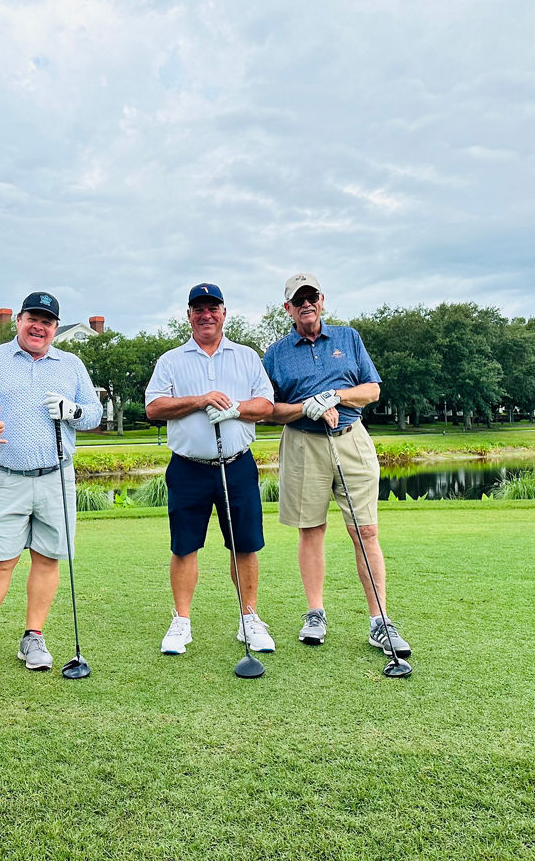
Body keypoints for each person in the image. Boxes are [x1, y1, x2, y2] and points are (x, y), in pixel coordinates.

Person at [0, 292, 103, 679]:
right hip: (7, 477)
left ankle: (33, 636)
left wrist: (75, 411)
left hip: (56, 476)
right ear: (18, 320)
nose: (40, 326)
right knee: (0, 561)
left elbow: (94, 414)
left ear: (55, 328)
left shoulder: (71, 364)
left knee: (48, 558)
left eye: (48, 321)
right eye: (33, 318)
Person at [262, 273, 411, 658]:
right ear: (288, 308)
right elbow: (268, 410)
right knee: (311, 531)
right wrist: (306, 406)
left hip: (351, 439)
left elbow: (372, 390)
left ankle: (380, 622)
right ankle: (315, 614)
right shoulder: (276, 353)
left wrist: (334, 396)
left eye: (312, 296)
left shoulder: (348, 338)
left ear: (322, 300)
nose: (306, 304)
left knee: (367, 531)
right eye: (299, 300)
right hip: (302, 443)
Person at [145, 283, 275, 656]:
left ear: (223, 313)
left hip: (236, 465)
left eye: (212, 308)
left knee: (245, 545)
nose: (206, 315)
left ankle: (249, 620)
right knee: (184, 546)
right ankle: (181, 622)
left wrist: (236, 408)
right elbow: (154, 408)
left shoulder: (246, 356)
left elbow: (266, 404)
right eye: (198, 309)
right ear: (188, 315)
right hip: (188, 467)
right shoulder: (171, 360)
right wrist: (199, 400)